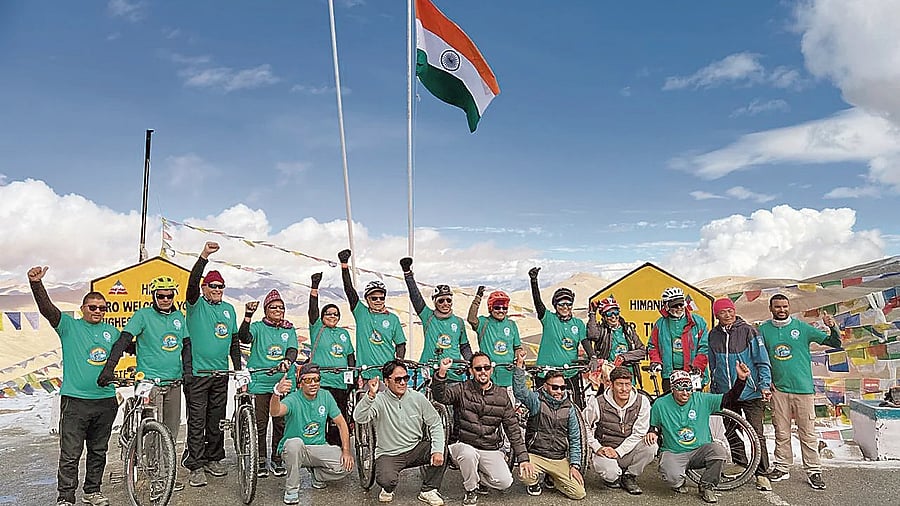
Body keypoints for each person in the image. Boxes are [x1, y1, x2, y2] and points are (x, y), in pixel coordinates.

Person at [29, 266, 118, 506]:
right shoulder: (69, 326)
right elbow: (47, 310)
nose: (98, 311)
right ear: (83, 309)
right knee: (70, 454)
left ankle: (92, 491)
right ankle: (66, 497)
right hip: (75, 401)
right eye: (93, 307)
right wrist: (36, 284)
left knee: (98, 452)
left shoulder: (113, 331)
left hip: (106, 401)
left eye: (102, 308)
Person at [98, 275, 190, 491]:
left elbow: (186, 345)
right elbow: (122, 341)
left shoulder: (178, 316)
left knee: (171, 431)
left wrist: (188, 371)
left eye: (169, 295)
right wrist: (109, 368)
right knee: (152, 430)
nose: (166, 299)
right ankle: (153, 475)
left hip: (174, 381)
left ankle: (165, 474)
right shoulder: (142, 315)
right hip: (149, 382)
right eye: (161, 295)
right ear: (154, 296)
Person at [758, 294, 842, 490]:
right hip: (778, 389)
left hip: (803, 389)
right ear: (771, 309)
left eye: (784, 306)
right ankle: (782, 466)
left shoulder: (802, 328)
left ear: (789, 307)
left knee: (807, 432)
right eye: (777, 306)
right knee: (781, 431)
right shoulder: (763, 329)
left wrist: (832, 326)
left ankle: (813, 470)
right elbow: (759, 357)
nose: (781, 310)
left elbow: (834, 343)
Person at [432, 353, 536, 505]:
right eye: (478, 368)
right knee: (468, 454)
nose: (483, 371)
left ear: (491, 370)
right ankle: (471, 489)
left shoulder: (501, 395)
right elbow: (440, 397)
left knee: (505, 482)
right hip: (462, 444)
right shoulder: (461, 389)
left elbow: (513, 429)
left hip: (488, 447)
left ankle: (477, 477)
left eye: (486, 367)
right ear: (471, 371)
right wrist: (442, 373)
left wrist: (523, 459)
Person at [183, 241, 243, 486]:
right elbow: (191, 283)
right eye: (213, 286)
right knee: (197, 421)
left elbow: (234, 342)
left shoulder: (229, 309)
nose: (218, 289)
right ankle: (195, 464)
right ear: (204, 288)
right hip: (198, 373)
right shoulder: (196, 305)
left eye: (221, 286)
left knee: (216, 419)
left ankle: (213, 458)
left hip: (221, 374)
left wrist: (239, 369)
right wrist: (204, 256)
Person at [645, 365, 751, 504]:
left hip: (700, 450)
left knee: (718, 450)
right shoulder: (660, 404)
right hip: (674, 451)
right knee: (672, 478)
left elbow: (729, 399)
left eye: (689, 389)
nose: (685, 393)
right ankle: (679, 480)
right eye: (681, 389)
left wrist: (741, 380)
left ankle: (707, 486)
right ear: (672, 389)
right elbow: (654, 426)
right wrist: (653, 432)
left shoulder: (702, 399)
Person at [353, 360, 448, 506]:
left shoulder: (417, 397)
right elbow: (359, 417)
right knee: (387, 481)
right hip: (389, 453)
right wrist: (370, 396)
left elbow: (435, 423)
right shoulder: (379, 400)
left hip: (415, 448)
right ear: (386, 381)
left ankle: (429, 490)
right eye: (398, 379)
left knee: (442, 448)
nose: (403, 382)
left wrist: (437, 451)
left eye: (406, 378)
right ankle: (387, 488)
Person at [707, 298, 773, 491]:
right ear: (716, 315)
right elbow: (713, 364)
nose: (727, 315)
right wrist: (714, 387)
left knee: (756, 434)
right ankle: (741, 462)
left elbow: (762, 360)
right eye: (722, 312)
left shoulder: (749, 331)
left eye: (730, 310)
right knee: (731, 430)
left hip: (751, 391)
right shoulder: (713, 335)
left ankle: (762, 473)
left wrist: (764, 385)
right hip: (727, 393)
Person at [271, 362, 352, 504]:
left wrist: (346, 451)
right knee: (294, 444)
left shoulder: (325, 396)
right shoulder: (293, 398)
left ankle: (317, 475)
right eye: (308, 380)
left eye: (316, 379)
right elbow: (275, 411)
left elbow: (341, 423)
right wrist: (277, 393)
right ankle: (292, 490)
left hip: (318, 447)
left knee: (346, 466)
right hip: (295, 449)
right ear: (300, 383)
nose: (313, 383)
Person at [512, 349, 586, 500]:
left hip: (558, 458)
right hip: (535, 454)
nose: (559, 391)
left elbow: (575, 439)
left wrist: (575, 465)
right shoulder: (536, 401)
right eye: (555, 387)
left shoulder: (570, 408)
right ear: (545, 386)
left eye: (562, 387)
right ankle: (534, 483)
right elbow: (519, 391)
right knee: (526, 476)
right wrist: (520, 364)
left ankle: (553, 478)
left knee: (579, 493)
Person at [238, 288, 295, 478]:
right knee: (261, 423)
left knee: (280, 423)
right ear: (266, 310)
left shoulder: (289, 328)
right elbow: (244, 337)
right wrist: (247, 316)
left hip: (282, 382)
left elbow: (293, 350)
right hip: (261, 382)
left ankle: (277, 458)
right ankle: (260, 458)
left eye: (281, 307)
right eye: (274, 307)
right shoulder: (257, 327)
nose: (279, 310)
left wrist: (287, 361)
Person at [582, 366, 655, 495]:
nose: (624, 389)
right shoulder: (597, 403)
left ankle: (629, 476)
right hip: (605, 450)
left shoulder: (642, 401)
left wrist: (618, 452)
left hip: (627, 450)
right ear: (611, 384)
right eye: (620, 384)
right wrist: (597, 447)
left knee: (651, 446)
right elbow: (584, 425)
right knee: (611, 475)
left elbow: (639, 432)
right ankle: (614, 476)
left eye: (627, 384)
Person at [400, 257, 473, 380]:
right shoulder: (428, 316)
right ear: (435, 302)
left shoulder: (459, 322)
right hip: (429, 370)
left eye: (448, 300)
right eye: (441, 300)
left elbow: (464, 346)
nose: (445, 303)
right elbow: (416, 298)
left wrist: (472, 363)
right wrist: (408, 274)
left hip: (453, 371)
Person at [338, 249, 406, 380]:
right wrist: (344, 265)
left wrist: (398, 363)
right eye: (374, 298)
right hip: (365, 374)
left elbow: (400, 344)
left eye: (382, 298)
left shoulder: (393, 318)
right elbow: (349, 290)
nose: (378, 301)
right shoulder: (361, 313)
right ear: (367, 299)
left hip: (387, 375)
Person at [527, 266, 588, 406]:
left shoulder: (578, 323)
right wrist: (534, 281)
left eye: (568, 304)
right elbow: (538, 304)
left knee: (575, 406)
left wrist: (593, 357)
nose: (565, 307)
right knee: (543, 409)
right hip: (546, 374)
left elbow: (584, 342)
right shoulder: (548, 319)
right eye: (561, 304)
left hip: (569, 373)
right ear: (555, 305)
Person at [307, 272, 355, 446]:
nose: (332, 316)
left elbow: (350, 355)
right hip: (322, 382)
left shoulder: (344, 333)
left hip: (340, 383)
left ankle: (336, 451)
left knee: (337, 419)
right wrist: (314, 287)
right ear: (322, 316)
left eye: (335, 314)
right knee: (319, 417)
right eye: (328, 313)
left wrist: (352, 377)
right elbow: (312, 309)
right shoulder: (317, 328)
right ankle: (317, 449)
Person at [648, 287, 709, 393]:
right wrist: (656, 361)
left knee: (693, 406)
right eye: (675, 305)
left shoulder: (698, 322)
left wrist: (698, 366)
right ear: (666, 306)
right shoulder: (660, 324)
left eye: (681, 304)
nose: (679, 307)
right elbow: (653, 345)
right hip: (669, 374)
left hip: (693, 373)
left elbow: (705, 347)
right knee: (670, 406)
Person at [466, 287, 521, 390]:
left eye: (504, 308)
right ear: (490, 308)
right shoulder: (484, 322)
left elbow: (517, 347)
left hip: (508, 376)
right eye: (497, 307)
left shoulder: (511, 324)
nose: (501, 311)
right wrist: (478, 298)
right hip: (487, 376)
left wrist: (519, 356)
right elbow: (471, 319)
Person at [584, 296, 646, 375]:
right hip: (608, 373)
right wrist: (592, 313)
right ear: (604, 316)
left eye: (616, 313)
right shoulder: (602, 330)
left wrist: (624, 357)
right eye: (609, 314)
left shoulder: (628, 330)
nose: (613, 316)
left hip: (628, 374)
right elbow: (592, 335)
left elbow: (642, 351)